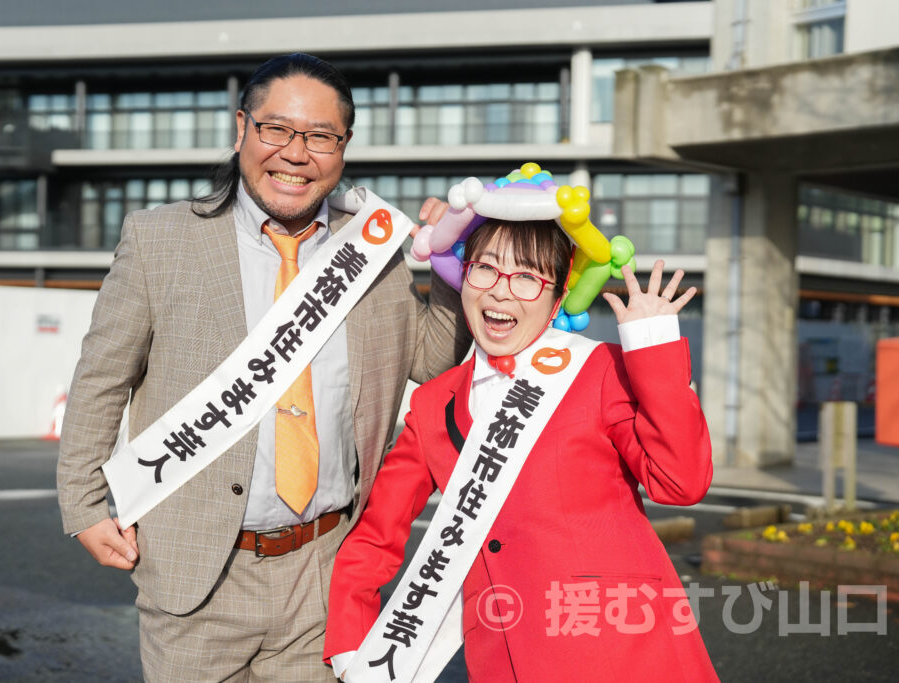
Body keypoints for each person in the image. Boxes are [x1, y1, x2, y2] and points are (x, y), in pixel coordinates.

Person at [56, 53, 471, 682]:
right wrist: (83, 505)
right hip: (197, 570)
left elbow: (432, 357)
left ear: (343, 147)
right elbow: (101, 380)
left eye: (321, 137)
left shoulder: (372, 250)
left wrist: (450, 266)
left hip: (326, 567)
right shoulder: (160, 239)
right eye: (277, 129)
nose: (296, 154)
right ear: (242, 129)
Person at [325, 215, 718, 681]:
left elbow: (681, 483)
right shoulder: (434, 404)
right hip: (504, 654)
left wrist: (652, 346)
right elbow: (374, 536)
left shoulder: (598, 370)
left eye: (528, 277)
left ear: (557, 300)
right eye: (485, 268)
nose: (501, 291)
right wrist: (352, 644)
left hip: (621, 647)